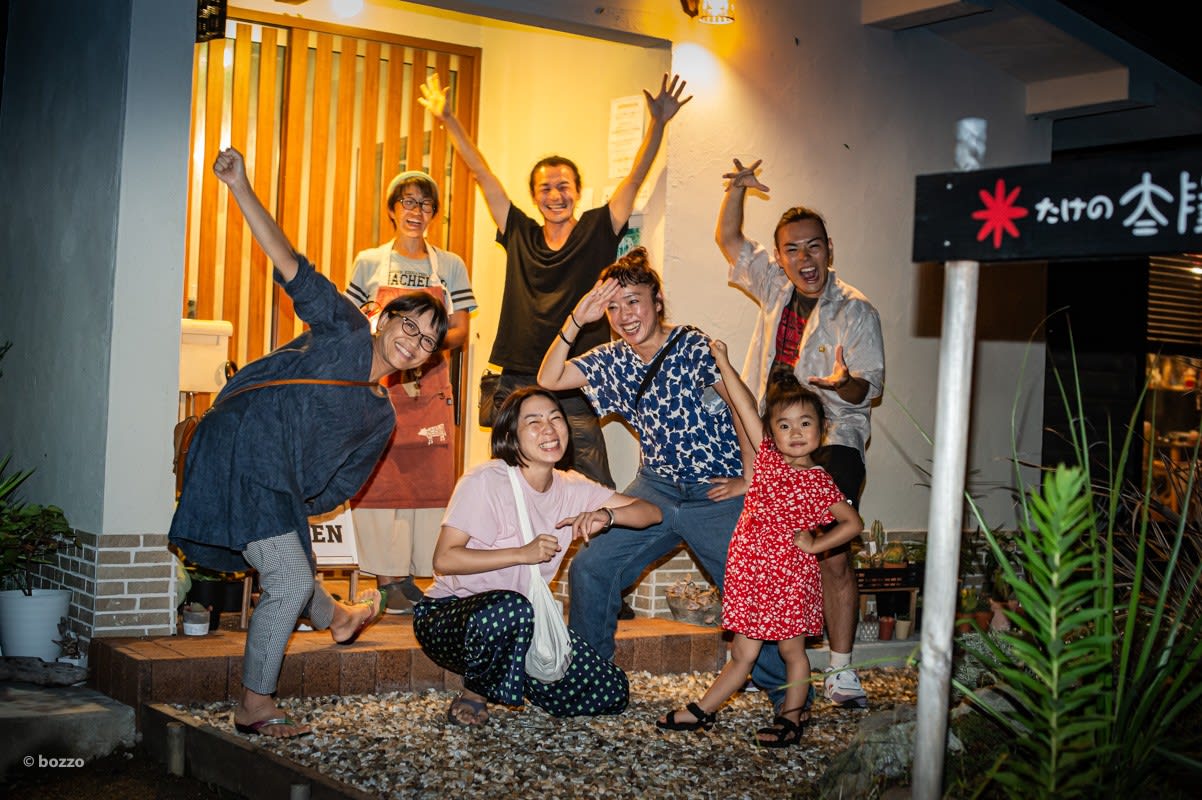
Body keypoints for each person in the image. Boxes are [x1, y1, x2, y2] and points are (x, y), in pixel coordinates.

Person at [169, 147, 449, 739]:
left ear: (426, 360)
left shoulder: (381, 417)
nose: (415, 340)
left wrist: (295, 497)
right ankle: (254, 705)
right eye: (408, 324)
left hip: (274, 481)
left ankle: (341, 617)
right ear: (383, 319)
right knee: (291, 578)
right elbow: (289, 263)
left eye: (428, 340)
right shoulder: (344, 327)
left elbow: (337, 486)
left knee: (292, 562)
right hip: (236, 447)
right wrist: (240, 186)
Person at [417, 72, 691, 488]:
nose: (555, 195)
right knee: (511, 480)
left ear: (578, 191)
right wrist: (449, 119)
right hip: (517, 376)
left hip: (575, 377)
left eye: (564, 186)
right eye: (545, 188)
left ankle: (597, 534)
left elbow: (634, 179)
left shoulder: (598, 229)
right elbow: (482, 175)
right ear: (534, 196)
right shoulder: (519, 231)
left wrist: (658, 124)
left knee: (593, 484)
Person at [715, 158, 884, 709]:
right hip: (774, 438)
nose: (804, 259)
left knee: (832, 555)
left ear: (829, 250)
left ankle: (840, 669)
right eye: (793, 249)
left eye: (814, 247)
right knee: (770, 544)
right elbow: (729, 238)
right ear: (781, 255)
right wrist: (738, 188)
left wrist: (844, 382)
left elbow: (867, 391)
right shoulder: (774, 285)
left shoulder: (855, 310)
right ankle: (765, 657)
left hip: (832, 439)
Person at [537, 247, 749, 661]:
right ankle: (589, 675)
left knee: (751, 586)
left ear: (658, 300)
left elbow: (741, 405)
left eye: (633, 301)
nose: (624, 316)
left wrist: (752, 476)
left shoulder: (691, 345)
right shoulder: (613, 359)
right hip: (657, 489)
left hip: (716, 490)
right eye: (613, 307)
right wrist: (577, 318)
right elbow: (550, 377)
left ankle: (783, 687)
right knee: (590, 567)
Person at [413, 386, 662, 726]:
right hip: (451, 619)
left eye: (555, 419)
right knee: (511, 608)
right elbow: (445, 559)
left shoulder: (573, 487)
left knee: (612, 691)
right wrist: (522, 554)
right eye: (534, 422)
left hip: (523, 627)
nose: (549, 429)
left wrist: (607, 515)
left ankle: (515, 673)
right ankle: (475, 692)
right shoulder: (486, 480)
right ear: (511, 437)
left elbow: (651, 512)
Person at [656, 340, 863, 746]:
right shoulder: (766, 463)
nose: (795, 433)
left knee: (791, 653)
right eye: (784, 425)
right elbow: (744, 407)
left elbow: (852, 523)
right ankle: (702, 711)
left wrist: (814, 546)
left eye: (805, 423)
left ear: (821, 430)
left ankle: (791, 717)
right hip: (751, 578)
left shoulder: (819, 481)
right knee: (743, 654)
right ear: (772, 433)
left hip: (789, 581)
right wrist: (723, 361)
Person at [345, 170, 478, 614]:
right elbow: (351, 322)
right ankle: (387, 579)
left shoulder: (450, 265)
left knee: (427, 478)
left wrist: (421, 348)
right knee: (380, 477)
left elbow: (460, 329)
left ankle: (415, 572)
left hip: (430, 385)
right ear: (392, 209)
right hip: (380, 386)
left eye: (425, 204)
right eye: (408, 202)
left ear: (434, 214)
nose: (416, 211)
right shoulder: (369, 262)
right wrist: (391, 352)